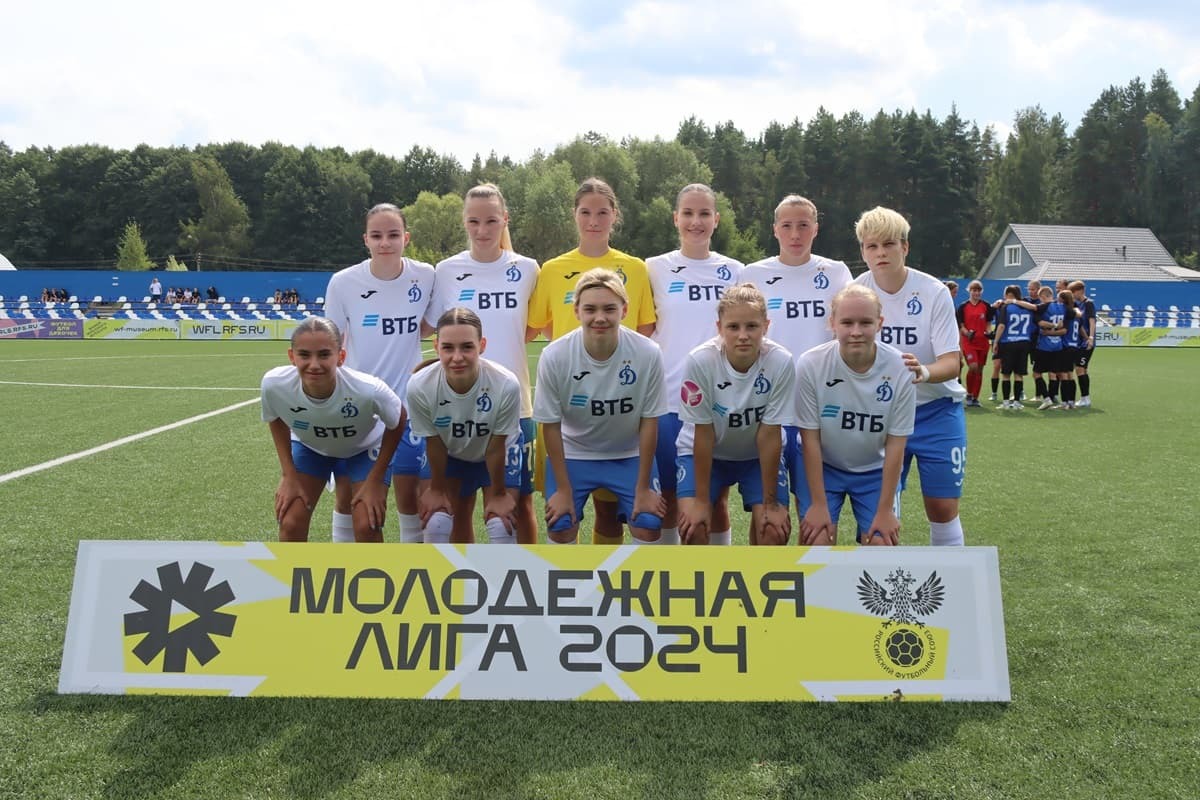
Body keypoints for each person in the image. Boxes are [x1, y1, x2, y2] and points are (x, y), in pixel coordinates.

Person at [528, 177, 657, 545]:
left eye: (602, 212)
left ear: (615, 215)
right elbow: (537, 326)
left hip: (620, 401)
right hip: (573, 403)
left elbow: (645, 327)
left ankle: (612, 588)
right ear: (575, 216)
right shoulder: (552, 269)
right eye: (585, 212)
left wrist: (619, 375)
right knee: (565, 516)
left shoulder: (634, 268)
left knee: (616, 513)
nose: (594, 220)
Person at [425, 183, 540, 543]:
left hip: (515, 405)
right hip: (458, 408)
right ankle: (464, 592)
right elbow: (434, 329)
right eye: (474, 222)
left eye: (491, 221)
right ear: (465, 223)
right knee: (461, 506)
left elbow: (532, 328)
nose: (482, 230)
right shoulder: (445, 270)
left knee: (520, 506)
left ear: (504, 220)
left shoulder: (527, 268)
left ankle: (527, 586)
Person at [853, 207, 967, 546]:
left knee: (943, 507)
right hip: (879, 417)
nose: (880, 253)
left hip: (936, 412)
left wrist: (924, 372)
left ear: (905, 247)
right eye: (871, 246)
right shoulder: (856, 293)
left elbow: (952, 362)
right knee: (879, 515)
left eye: (888, 244)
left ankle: (950, 590)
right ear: (862, 251)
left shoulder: (933, 292)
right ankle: (875, 595)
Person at [323, 203, 435, 543]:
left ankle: (412, 577)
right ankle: (347, 572)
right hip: (359, 407)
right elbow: (332, 342)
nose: (385, 242)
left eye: (393, 235)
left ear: (406, 238)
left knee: (411, 495)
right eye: (377, 236)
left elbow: (428, 325)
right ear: (366, 240)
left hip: (407, 405)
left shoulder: (426, 275)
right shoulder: (343, 283)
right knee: (349, 497)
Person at [744, 195, 853, 531]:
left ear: (815, 230)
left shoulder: (835, 272)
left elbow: (851, 331)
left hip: (817, 413)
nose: (795, 234)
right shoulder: (752, 274)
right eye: (787, 226)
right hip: (768, 411)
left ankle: (811, 583)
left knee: (815, 523)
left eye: (803, 225)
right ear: (775, 229)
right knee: (768, 520)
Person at [535, 269, 668, 544]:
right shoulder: (555, 355)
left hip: (628, 453)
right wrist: (562, 488)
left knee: (648, 522)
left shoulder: (648, 353)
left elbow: (649, 421)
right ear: (577, 312)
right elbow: (550, 425)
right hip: (575, 453)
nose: (600, 317)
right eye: (590, 309)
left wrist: (643, 488)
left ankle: (634, 586)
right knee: (560, 524)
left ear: (624, 309)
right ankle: (567, 586)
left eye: (609, 308)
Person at [646, 183, 743, 546]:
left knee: (715, 497)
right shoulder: (654, 268)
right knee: (668, 497)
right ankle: (672, 582)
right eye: (688, 213)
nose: (696, 221)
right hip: (669, 401)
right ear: (675, 218)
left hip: (721, 403)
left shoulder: (734, 271)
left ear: (716, 220)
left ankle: (718, 577)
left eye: (704, 214)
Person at [260, 318, 404, 542]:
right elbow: (274, 417)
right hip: (311, 448)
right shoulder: (274, 384)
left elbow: (398, 418)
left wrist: (375, 479)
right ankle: (290, 577)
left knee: (368, 524)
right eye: (304, 355)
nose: (314, 364)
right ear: (292, 357)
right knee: (290, 521)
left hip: (363, 449)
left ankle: (371, 575)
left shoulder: (368, 389)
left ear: (341, 357)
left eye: (325, 354)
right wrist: (288, 475)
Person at [796, 284, 915, 545]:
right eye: (847, 322)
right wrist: (818, 503)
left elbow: (897, 445)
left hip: (874, 470)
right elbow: (810, 440)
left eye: (865, 322)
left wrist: (884, 511)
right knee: (817, 541)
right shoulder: (811, 364)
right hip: (824, 468)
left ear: (880, 323)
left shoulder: (901, 368)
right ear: (832, 324)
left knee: (881, 543)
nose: (856, 332)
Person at [676, 284, 795, 546]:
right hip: (710, 451)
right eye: (733, 327)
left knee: (772, 531)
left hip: (755, 456)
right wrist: (700, 501)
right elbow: (703, 433)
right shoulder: (700, 361)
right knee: (694, 526)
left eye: (751, 326)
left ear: (766, 325)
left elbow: (769, 434)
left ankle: (758, 584)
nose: (743, 335)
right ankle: (703, 585)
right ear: (719, 328)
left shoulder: (781, 361)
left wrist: (770, 503)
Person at [408, 308, 524, 544]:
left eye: (467, 347)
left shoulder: (505, 384)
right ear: (436, 345)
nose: (457, 357)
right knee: (437, 523)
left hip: (496, 452)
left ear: (482, 345)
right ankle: (454, 579)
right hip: (449, 453)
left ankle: (502, 580)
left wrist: (499, 494)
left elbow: (496, 447)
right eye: (448, 347)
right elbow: (435, 443)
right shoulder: (419, 385)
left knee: (501, 525)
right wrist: (437, 489)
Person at [992, 285, 1035, 409]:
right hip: (1024, 342)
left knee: (1006, 374)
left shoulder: (1006, 307)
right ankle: (1016, 402)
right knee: (1018, 374)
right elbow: (1035, 309)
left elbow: (1001, 326)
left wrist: (995, 342)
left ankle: (1006, 402)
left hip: (1008, 342)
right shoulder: (1027, 307)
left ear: (1008, 295)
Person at [956, 280, 994, 407]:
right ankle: (968, 393)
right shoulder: (963, 306)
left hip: (983, 342)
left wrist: (989, 332)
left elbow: (988, 323)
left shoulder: (986, 306)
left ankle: (975, 397)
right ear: (969, 291)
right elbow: (961, 326)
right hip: (969, 342)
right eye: (974, 290)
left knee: (980, 370)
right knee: (973, 366)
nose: (976, 293)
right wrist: (967, 333)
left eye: (978, 290)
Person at [1032, 286, 1068, 410]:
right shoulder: (1062, 307)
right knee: (1055, 373)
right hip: (1058, 345)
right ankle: (1062, 401)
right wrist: (1058, 326)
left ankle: (1047, 398)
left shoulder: (1044, 307)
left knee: (1036, 373)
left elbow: (1041, 323)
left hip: (1044, 346)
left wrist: (1051, 326)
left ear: (1043, 297)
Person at [1069, 280, 1096, 407]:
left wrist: (1090, 337)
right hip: (1078, 341)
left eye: (1073, 292)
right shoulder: (1076, 304)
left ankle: (1085, 398)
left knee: (1080, 368)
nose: (1072, 295)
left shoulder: (1088, 304)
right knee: (1082, 369)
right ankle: (1084, 398)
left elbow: (1092, 321)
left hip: (1086, 342)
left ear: (1079, 291)